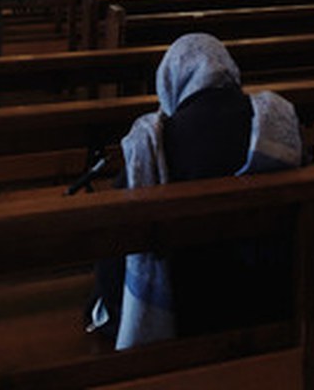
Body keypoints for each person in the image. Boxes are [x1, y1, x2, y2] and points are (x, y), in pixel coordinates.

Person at [88, 33, 302, 349]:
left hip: (185, 310)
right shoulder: (276, 124)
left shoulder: (153, 142)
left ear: (171, 79)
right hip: (269, 297)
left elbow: (118, 243)